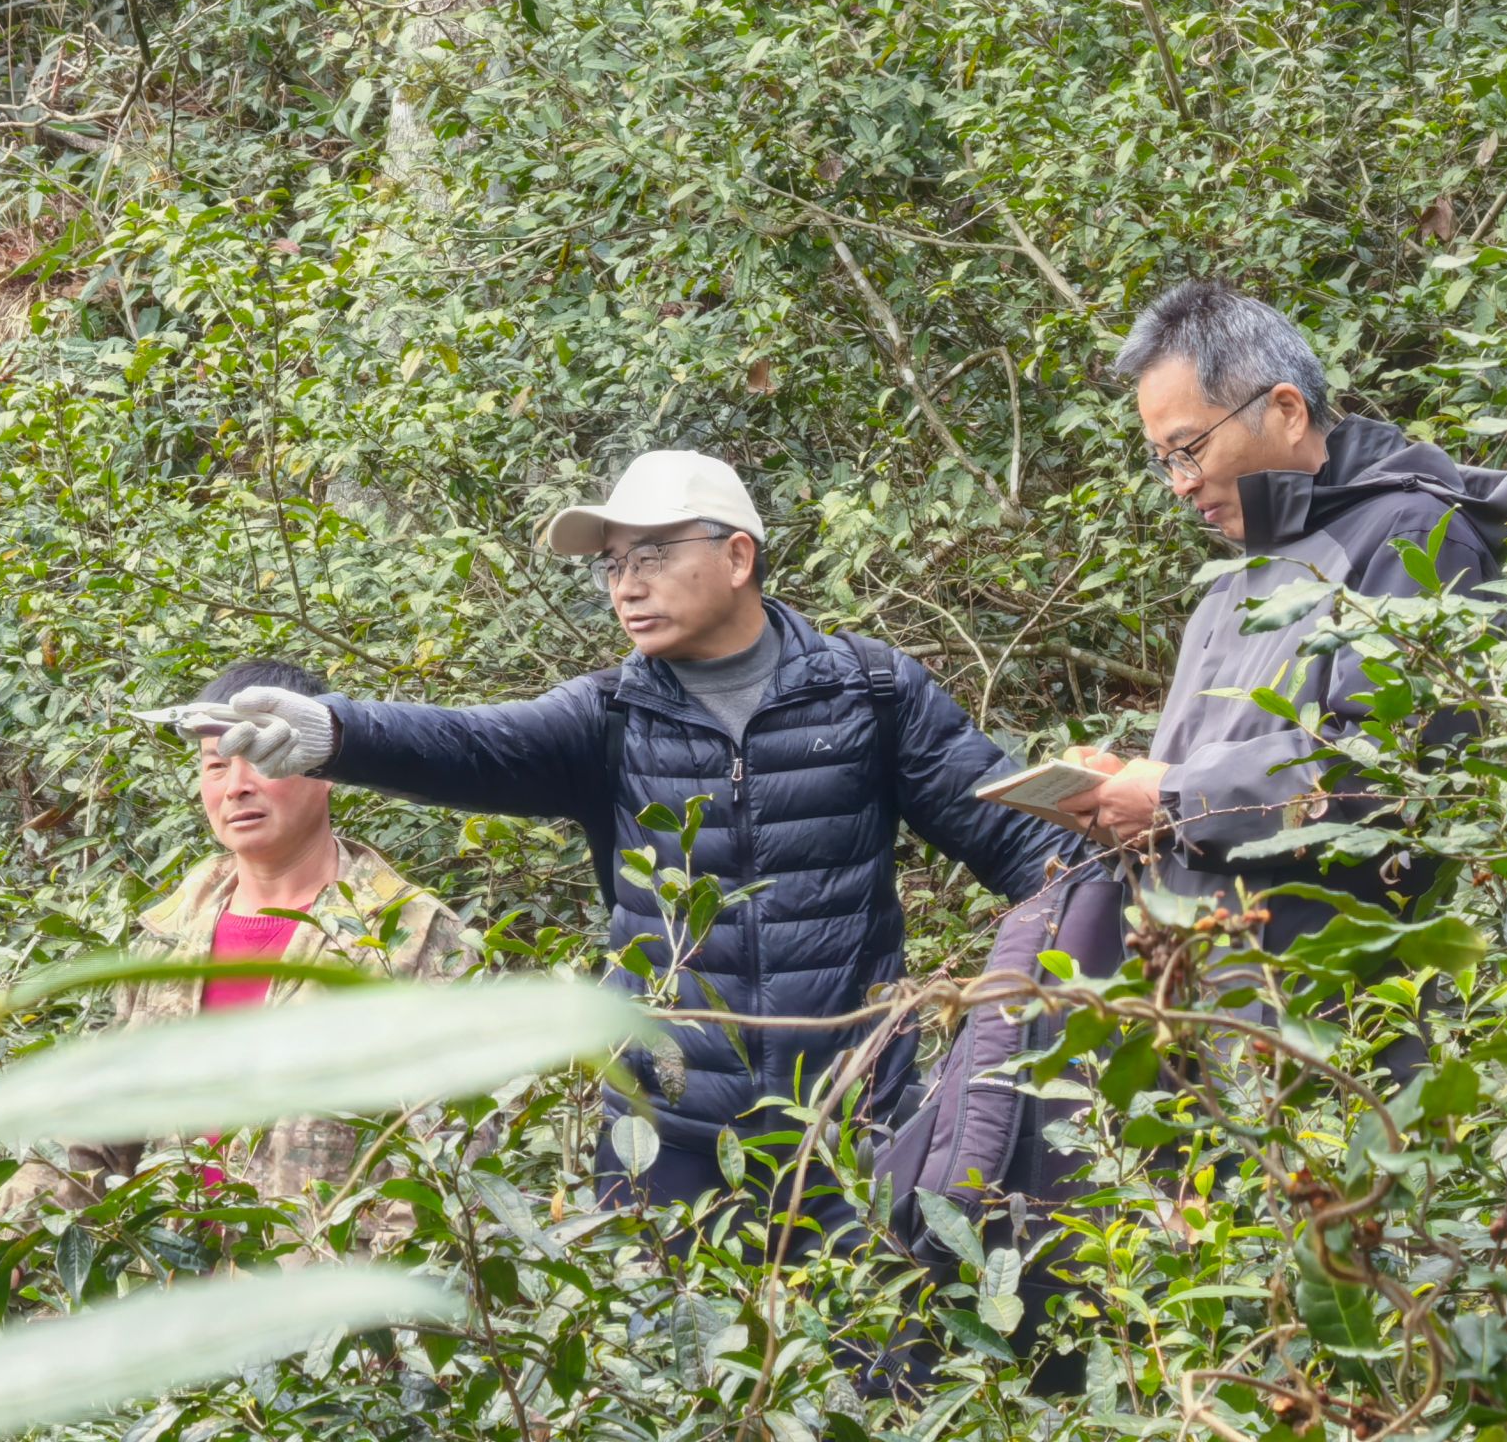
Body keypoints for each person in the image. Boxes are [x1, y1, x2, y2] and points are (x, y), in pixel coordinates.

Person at [209, 450, 1081, 1221]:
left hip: (854, 1133)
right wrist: (335, 732)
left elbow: (1031, 855)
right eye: (615, 564)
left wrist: (1018, 1042)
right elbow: (475, 743)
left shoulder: (872, 695)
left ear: (737, 556)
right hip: (665, 1149)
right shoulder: (609, 718)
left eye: (654, 555)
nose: (626, 584)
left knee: (875, 1350)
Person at [1058, 280, 1507, 960]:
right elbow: (1203, 786)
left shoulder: (1412, 535)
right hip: (1199, 985)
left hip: (1326, 992)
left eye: (1190, 448)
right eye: (1165, 462)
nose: (1181, 483)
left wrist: (1173, 797)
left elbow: (1393, 776)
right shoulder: (1231, 585)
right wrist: (1122, 793)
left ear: (1286, 410)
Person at [0, 657, 468, 1240]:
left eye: (262, 760)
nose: (236, 786)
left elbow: (444, 1165)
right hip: (177, 1278)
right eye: (216, 765)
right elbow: (97, 1128)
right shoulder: (171, 935)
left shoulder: (409, 935)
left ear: (325, 767)